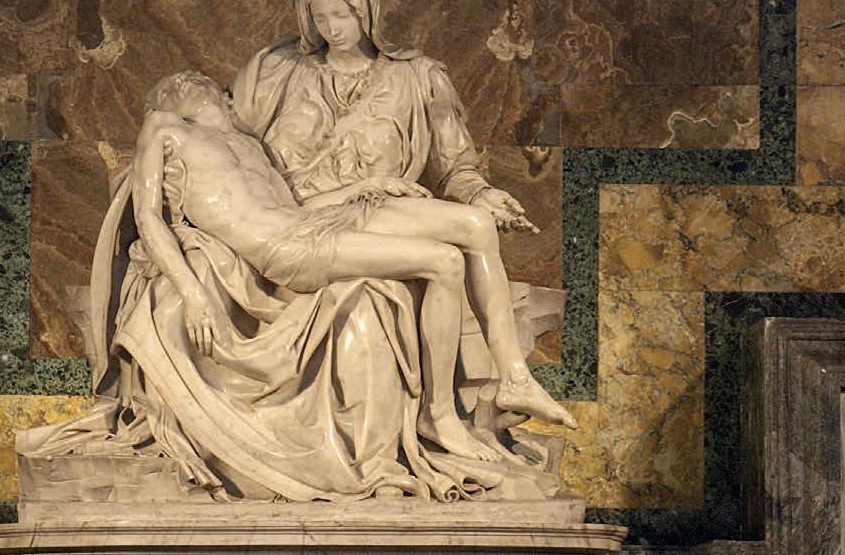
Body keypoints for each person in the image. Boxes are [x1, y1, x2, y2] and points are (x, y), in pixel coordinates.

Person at [134, 71, 574, 464]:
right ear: (184, 94)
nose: (227, 98)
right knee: (444, 262)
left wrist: (369, 186)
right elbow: (148, 217)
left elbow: (293, 207)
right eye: (213, 91)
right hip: (287, 249)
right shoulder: (165, 128)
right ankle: (438, 415)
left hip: (309, 223)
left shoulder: (247, 145)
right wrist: (193, 294)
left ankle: (516, 378)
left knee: (476, 224)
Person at [230, 0, 573, 430]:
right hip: (300, 218)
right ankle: (449, 409)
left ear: (368, 7)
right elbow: (223, 143)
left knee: (476, 222)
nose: (331, 28)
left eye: (342, 15)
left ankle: (515, 379)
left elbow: (453, 166)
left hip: (373, 210)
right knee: (450, 250)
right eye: (320, 17)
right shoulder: (274, 72)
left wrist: (479, 193)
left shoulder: (418, 77)